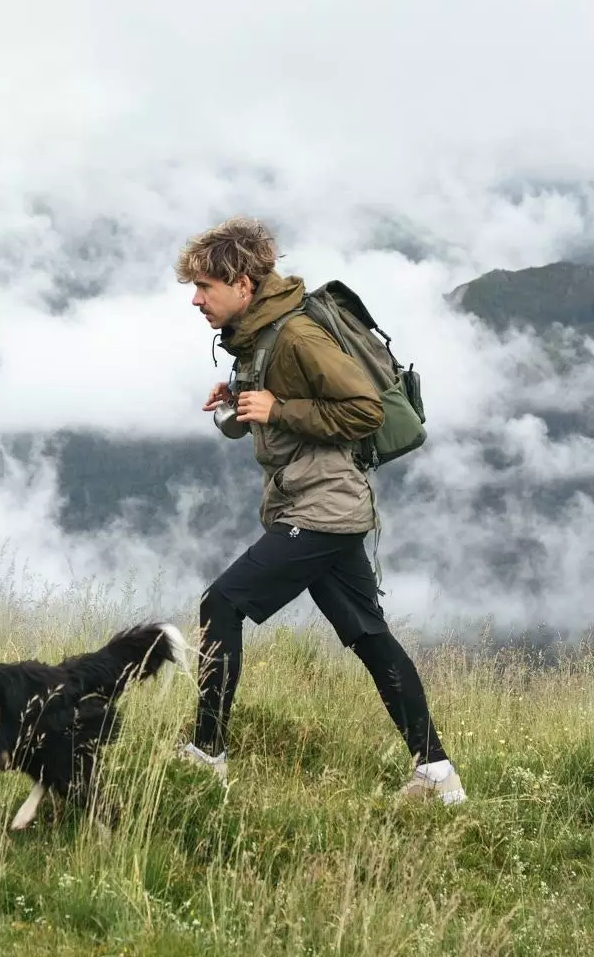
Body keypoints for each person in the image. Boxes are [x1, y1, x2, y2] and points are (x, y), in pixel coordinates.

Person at [175, 216, 465, 804]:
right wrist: (240, 402)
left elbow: (365, 412)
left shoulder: (299, 335)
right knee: (367, 634)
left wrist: (279, 407)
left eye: (205, 287)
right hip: (311, 502)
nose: (197, 300)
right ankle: (437, 775)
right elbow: (274, 417)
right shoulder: (257, 336)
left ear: (244, 284)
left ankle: (205, 755)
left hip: (324, 505)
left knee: (221, 602)